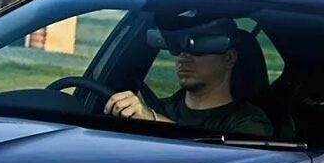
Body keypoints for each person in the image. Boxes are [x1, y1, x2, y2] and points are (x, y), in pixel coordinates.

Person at [104, 18, 273, 135]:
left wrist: (152, 120)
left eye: (197, 47)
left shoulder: (249, 123)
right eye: (177, 47)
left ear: (228, 58)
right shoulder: (157, 108)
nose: (184, 56)